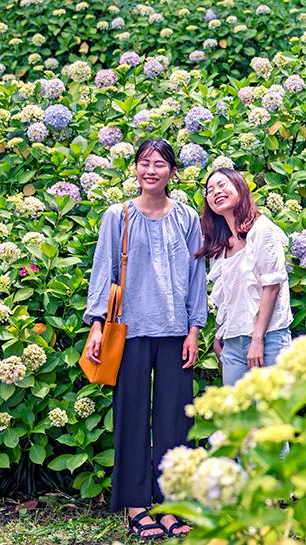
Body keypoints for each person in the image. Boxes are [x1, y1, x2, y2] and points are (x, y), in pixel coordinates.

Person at [83, 138, 205, 540]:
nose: (150, 170)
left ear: (172, 172)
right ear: (135, 168)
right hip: (129, 331)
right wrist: (97, 325)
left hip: (175, 333)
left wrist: (194, 329)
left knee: (175, 421)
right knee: (132, 418)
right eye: (144, 163)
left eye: (159, 164)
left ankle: (171, 505)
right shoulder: (117, 216)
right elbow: (104, 271)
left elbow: (195, 278)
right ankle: (137, 505)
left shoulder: (187, 218)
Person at [198, 168, 293, 385]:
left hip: (269, 339)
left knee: (274, 414)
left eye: (222, 185)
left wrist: (257, 339)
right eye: (210, 190)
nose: (216, 192)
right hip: (232, 344)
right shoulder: (220, 246)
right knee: (236, 416)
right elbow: (231, 297)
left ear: (240, 187)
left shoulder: (263, 230)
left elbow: (272, 286)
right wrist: (220, 333)